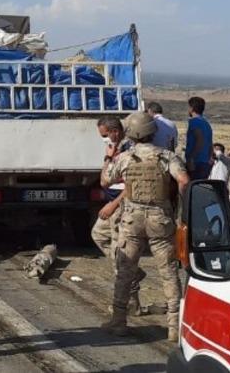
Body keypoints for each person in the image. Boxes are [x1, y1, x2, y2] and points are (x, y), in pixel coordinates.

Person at [102, 111, 189, 342]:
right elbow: (183, 181)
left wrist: (109, 157)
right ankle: (174, 326)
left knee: (124, 271)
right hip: (160, 218)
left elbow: (105, 180)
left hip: (132, 219)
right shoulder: (166, 156)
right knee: (169, 273)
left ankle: (119, 322)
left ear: (130, 132)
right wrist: (180, 211)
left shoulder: (126, 158)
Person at [89, 117, 144, 314]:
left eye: (105, 135)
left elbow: (133, 183)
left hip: (122, 207)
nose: (104, 139)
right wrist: (109, 157)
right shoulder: (115, 150)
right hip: (112, 202)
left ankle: (130, 302)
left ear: (115, 131)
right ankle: (134, 274)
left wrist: (114, 204)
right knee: (98, 234)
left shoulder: (130, 150)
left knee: (119, 255)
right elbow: (105, 180)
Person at [184, 97, 214, 180]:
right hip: (205, 163)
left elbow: (199, 140)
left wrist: (191, 158)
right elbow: (210, 144)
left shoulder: (194, 122)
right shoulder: (206, 123)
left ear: (191, 108)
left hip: (196, 163)